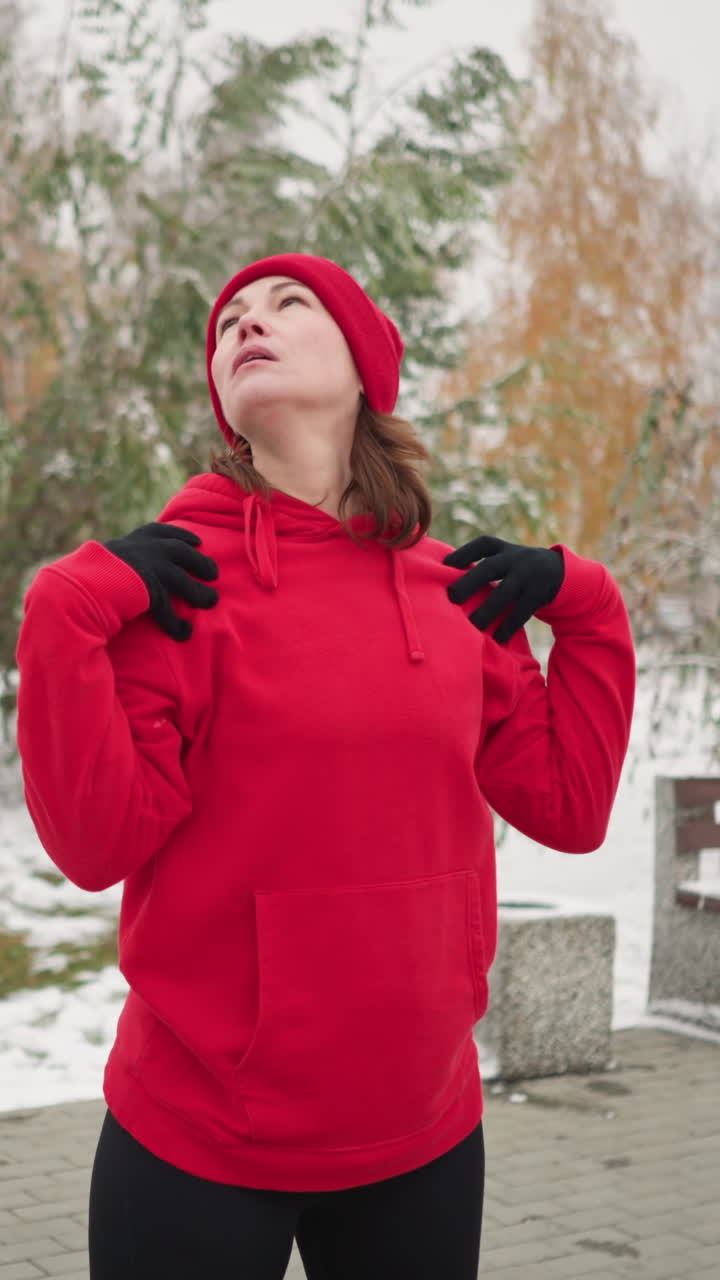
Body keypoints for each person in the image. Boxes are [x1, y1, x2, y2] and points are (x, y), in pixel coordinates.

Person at [14, 253, 636, 1279]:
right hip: (198, 1142)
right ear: (223, 396)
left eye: (287, 304)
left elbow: (566, 807)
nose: (247, 324)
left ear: (366, 369)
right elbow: (94, 845)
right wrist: (64, 608)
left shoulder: (456, 591)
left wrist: (588, 604)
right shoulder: (178, 584)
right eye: (228, 325)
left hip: (423, 1135)